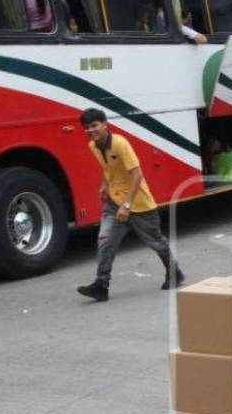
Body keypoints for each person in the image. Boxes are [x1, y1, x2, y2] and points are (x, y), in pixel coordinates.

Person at [76, 108, 183, 302]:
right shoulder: (93, 145)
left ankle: (175, 272)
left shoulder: (120, 143)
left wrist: (127, 205)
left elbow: (137, 174)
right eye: (86, 128)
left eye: (94, 126)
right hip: (114, 201)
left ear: (104, 125)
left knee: (156, 242)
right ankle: (101, 284)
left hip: (139, 204)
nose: (91, 130)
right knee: (105, 240)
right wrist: (104, 185)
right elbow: (108, 168)